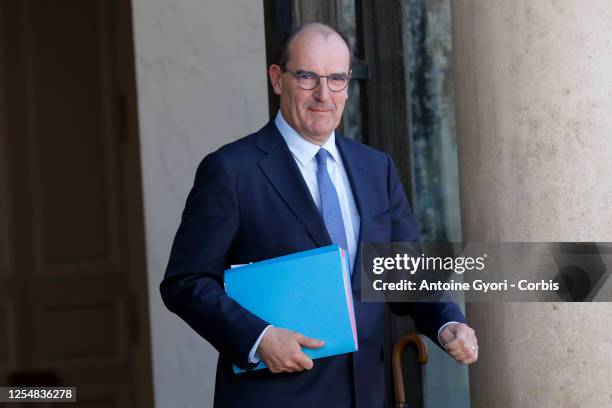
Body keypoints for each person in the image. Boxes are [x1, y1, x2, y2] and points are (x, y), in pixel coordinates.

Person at [160, 22, 478, 408]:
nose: (324, 95)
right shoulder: (231, 170)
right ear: (278, 79)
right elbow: (185, 282)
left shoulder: (375, 167)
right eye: (308, 77)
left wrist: (447, 322)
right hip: (273, 396)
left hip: (366, 393)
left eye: (337, 79)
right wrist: (259, 338)